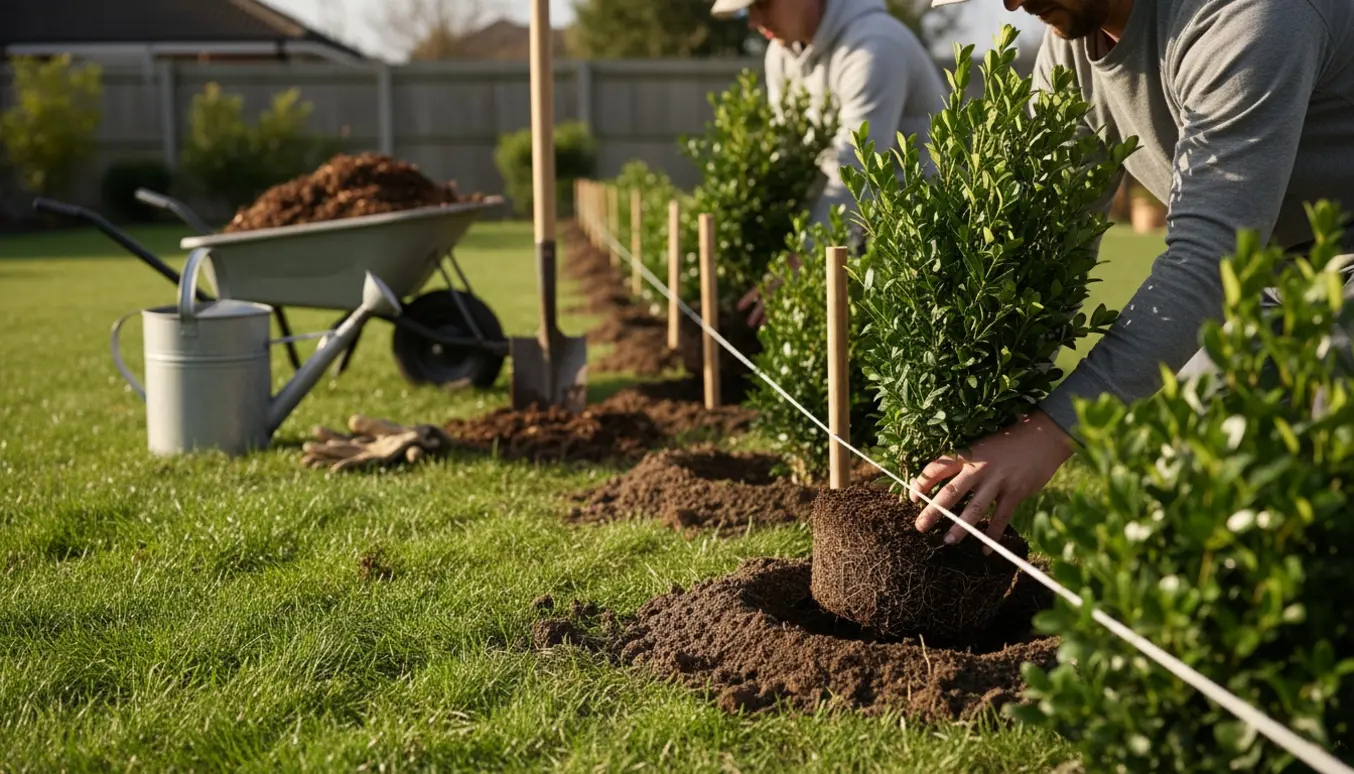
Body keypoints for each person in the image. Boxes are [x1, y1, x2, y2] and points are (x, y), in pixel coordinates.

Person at [911, 0, 1354, 548]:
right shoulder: (1071, 45)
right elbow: (1050, 243)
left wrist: (1051, 432)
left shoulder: (1247, 15)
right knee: (1201, 491)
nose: (1011, 3)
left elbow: (1208, 257)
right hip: (1270, 268)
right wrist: (988, 413)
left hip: (1322, 255)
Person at [710, 0, 948, 326]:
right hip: (851, 225)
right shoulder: (780, 54)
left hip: (920, 242)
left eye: (762, 4)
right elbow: (791, 155)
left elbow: (857, 172)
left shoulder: (874, 47)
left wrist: (804, 257)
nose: (753, 21)